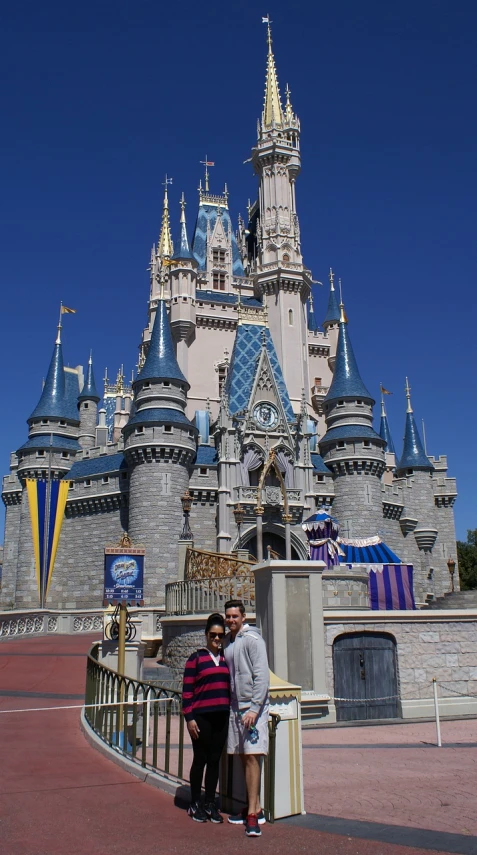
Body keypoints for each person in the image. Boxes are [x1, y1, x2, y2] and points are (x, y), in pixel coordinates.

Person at [223, 599, 270, 837]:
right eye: (228, 616)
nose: (231, 620)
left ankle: (251, 815)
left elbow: (262, 675)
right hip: (235, 707)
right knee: (244, 757)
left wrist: (254, 708)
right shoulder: (228, 642)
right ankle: (257, 807)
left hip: (252, 708)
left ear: (243, 617)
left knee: (253, 757)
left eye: (235, 616)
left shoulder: (253, 640)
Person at [182, 612, 230, 823]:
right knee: (200, 759)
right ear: (206, 635)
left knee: (214, 761)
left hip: (221, 716)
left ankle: (210, 803)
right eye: (213, 635)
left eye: (220, 635)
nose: (217, 639)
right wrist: (189, 718)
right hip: (201, 718)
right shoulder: (196, 658)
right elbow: (186, 692)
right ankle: (195, 803)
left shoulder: (226, 659)